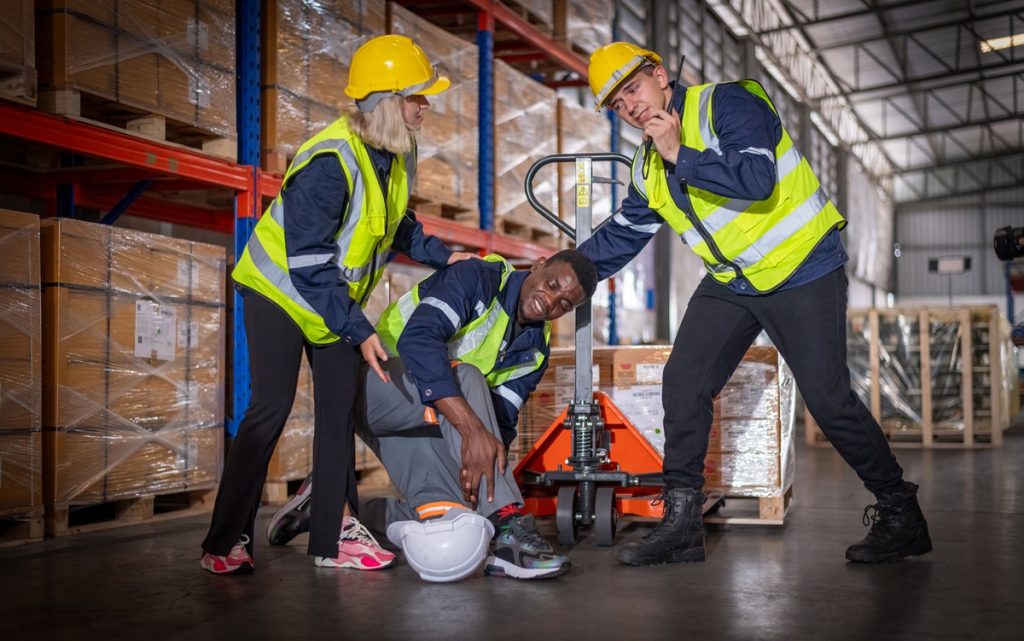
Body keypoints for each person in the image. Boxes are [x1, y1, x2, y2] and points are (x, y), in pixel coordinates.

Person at [579, 42, 932, 566]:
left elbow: (757, 180)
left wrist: (680, 153)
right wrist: (556, 274)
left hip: (803, 266)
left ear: (659, 75)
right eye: (616, 103)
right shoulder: (646, 166)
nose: (629, 107)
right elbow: (622, 236)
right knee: (684, 381)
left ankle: (901, 512)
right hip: (734, 282)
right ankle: (681, 525)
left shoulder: (729, 104)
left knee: (829, 398)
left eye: (632, 89)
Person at [200, 35, 477, 574]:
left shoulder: (398, 152)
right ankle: (224, 539)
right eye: (419, 96)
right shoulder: (330, 162)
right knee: (270, 408)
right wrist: (358, 328)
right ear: (388, 100)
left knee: (338, 409)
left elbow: (396, 224)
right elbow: (306, 263)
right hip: (280, 291)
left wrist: (445, 257)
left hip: (331, 299)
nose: (427, 105)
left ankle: (332, 538)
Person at [267, 251, 598, 581]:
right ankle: (509, 530)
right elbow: (419, 341)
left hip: (431, 420)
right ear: (538, 264)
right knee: (467, 376)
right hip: (377, 387)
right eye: (552, 284)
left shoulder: (535, 352)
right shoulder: (478, 277)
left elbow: (501, 422)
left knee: (459, 520)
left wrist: (472, 481)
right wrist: (470, 435)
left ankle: (327, 506)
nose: (551, 301)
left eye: (565, 305)